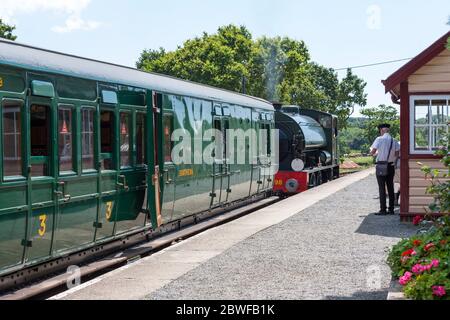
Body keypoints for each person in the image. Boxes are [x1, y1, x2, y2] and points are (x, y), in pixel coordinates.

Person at [370, 124, 400, 215]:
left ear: (381, 131)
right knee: (390, 187)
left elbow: (373, 152)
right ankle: (391, 209)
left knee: (382, 188)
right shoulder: (394, 140)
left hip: (381, 166)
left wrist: (373, 152)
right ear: (388, 131)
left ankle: (383, 209)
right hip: (390, 166)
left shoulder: (379, 139)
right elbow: (397, 154)